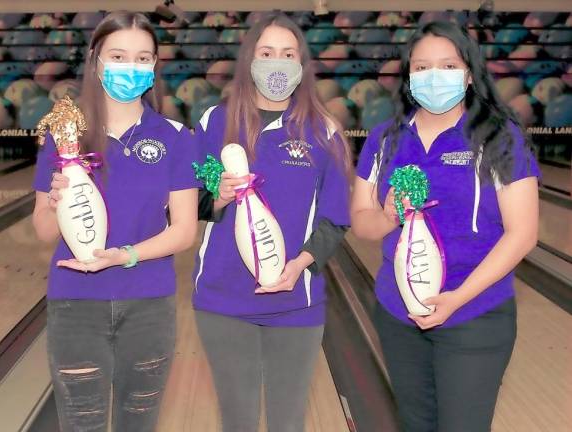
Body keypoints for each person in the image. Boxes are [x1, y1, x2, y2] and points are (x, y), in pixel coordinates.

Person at [350, 21, 539, 432]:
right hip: (398, 314)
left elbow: (522, 232)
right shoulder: (384, 139)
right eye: (421, 67)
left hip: (474, 313)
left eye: (447, 65)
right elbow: (361, 223)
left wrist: (456, 298)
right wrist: (386, 217)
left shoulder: (500, 136)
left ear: (469, 73)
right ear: (408, 75)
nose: (433, 76)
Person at [32, 11, 198, 432]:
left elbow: (184, 230)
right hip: (75, 304)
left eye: (143, 58)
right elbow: (43, 231)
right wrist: (55, 202)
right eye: (119, 56)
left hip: (149, 305)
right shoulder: (66, 134)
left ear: (155, 66)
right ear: (95, 61)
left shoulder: (175, 138)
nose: (131, 67)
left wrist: (124, 255)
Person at [192, 12, 351, 432]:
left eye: (287, 54)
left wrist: (299, 265)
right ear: (250, 60)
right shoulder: (215, 122)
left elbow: (336, 218)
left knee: (287, 422)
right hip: (223, 300)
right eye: (267, 53)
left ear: (301, 65)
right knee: (238, 421)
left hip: (295, 301)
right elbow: (189, 204)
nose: (277, 63)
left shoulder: (323, 131)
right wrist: (218, 197)